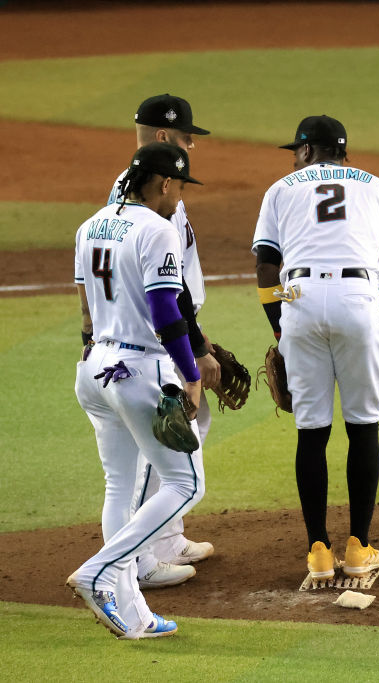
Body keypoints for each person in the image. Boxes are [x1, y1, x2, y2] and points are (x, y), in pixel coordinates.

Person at [252, 115, 379, 586]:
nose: (293, 157)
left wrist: (280, 330)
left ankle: (318, 552)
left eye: (296, 150)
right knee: (363, 426)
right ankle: (359, 547)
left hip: (300, 302)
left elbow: (266, 265)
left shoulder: (282, 189)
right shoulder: (377, 186)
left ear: (307, 151)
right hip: (357, 300)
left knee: (312, 432)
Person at [69, 142, 206, 638]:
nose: (179, 198)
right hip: (139, 369)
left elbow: (86, 309)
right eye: (180, 187)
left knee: (120, 486)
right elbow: (166, 312)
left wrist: (95, 348)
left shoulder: (91, 225)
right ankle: (99, 570)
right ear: (164, 183)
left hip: (95, 367)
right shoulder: (157, 229)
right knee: (187, 483)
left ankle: (134, 613)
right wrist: (190, 376)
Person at [107, 94, 219, 591]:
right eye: (184, 135)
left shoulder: (137, 189)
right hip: (154, 340)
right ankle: (145, 552)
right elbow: (163, 289)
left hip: (158, 331)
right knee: (164, 439)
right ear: (160, 136)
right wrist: (195, 348)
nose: (191, 142)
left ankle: (168, 535)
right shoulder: (152, 197)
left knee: (186, 429)